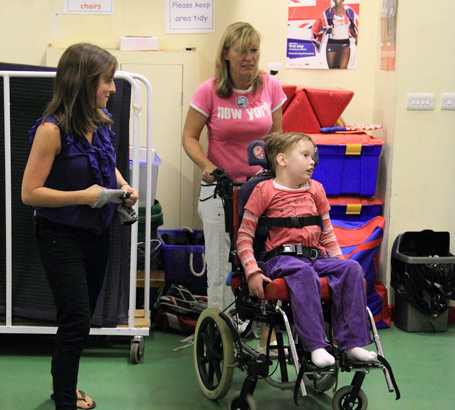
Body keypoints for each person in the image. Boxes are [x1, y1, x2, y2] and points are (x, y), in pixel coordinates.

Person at [21, 43, 138, 410]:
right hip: (60, 236)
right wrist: (81, 196)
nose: (113, 89)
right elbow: (30, 193)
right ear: (83, 82)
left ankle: (62, 386)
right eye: (106, 80)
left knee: (80, 319)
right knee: (75, 322)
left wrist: (121, 185)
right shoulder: (51, 130)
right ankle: (65, 402)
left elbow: (105, 163)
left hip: (97, 233)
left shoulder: (101, 123)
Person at [237, 132, 377, 368]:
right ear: (282, 160)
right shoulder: (263, 191)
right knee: (303, 273)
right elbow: (244, 236)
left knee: (351, 268)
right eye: (305, 155)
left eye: (313, 156)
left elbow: (328, 234)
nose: (312, 161)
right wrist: (251, 272)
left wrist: (338, 264)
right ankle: (316, 346)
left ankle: (351, 344)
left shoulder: (316, 190)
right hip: (280, 260)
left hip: (315, 256)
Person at [182, 22, 286, 315]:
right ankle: (221, 328)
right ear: (227, 53)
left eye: (254, 50)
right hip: (221, 192)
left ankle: (256, 322)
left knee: (262, 257)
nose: (249, 58)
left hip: (261, 189)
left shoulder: (270, 86)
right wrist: (207, 166)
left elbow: (277, 138)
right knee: (220, 264)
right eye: (242, 51)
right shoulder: (210, 91)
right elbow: (189, 137)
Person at [312, 0, 359, 69]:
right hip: (332, 43)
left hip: (345, 42)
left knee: (343, 68)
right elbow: (320, 28)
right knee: (332, 69)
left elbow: (352, 27)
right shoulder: (328, 12)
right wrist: (328, 29)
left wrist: (356, 37)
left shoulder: (349, 11)